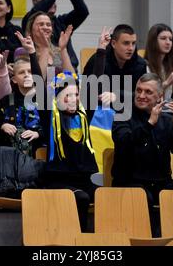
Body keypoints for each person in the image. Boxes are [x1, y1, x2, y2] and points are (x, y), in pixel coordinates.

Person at [111, 73, 173, 205]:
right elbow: (123, 143)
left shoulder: (166, 119)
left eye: (148, 92)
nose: (141, 96)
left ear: (160, 97)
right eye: (139, 90)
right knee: (144, 197)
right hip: (129, 182)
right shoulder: (123, 115)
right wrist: (149, 124)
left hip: (161, 182)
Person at [40, 71, 100, 231]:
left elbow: (94, 85)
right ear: (57, 98)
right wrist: (32, 52)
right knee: (82, 197)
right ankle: (81, 239)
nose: (73, 100)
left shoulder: (83, 116)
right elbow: (39, 87)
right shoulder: (50, 117)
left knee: (106, 196)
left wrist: (102, 49)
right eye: (67, 95)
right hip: (58, 181)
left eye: (76, 95)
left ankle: (103, 239)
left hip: (83, 180)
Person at [22, 0, 89, 69]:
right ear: (36, 3)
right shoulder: (30, 20)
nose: (53, 0)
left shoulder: (61, 22)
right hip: (44, 73)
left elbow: (82, 11)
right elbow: (35, 13)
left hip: (69, 72)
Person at [0, 55, 44, 157]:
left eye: (30, 71)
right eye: (21, 72)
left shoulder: (43, 100)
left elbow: (52, 130)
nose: (26, 75)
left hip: (37, 153)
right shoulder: (5, 101)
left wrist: (38, 134)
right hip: (9, 155)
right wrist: (3, 126)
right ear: (14, 79)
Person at [83, 24, 147, 104]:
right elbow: (86, 92)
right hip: (100, 108)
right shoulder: (98, 59)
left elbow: (142, 95)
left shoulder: (140, 65)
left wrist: (116, 95)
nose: (131, 48)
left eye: (133, 43)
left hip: (129, 109)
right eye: (126, 43)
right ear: (113, 44)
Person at [144, 23, 173, 99]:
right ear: (153, 41)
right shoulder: (145, 66)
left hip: (169, 109)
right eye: (163, 38)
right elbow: (146, 95)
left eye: (170, 39)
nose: (168, 42)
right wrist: (168, 82)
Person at [24, 11, 75, 80]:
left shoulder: (57, 50)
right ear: (30, 30)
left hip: (60, 89)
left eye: (48, 25)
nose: (45, 27)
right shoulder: (24, 52)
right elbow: (38, 83)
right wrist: (44, 48)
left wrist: (63, 49)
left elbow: (72, 79)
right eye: (41, 24)